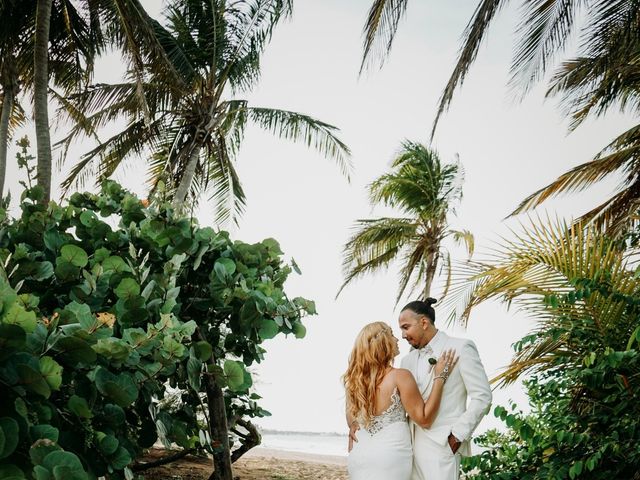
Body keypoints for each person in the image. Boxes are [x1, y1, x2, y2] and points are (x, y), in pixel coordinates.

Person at [343, 321, 458, 480]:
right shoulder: (400, 376)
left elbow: (352, 423)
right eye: (391, 334)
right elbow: (424, 419)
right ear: (383, 343)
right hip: (390, 456)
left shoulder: (353, 382)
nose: (397, 339)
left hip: (360, 455)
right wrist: (440, 377)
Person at [399, 298, 492, 480]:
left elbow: (482, 396)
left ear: (424, 322)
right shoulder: (406, 361)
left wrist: (457, 436)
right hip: (408, 448)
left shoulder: (461, 348)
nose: (402, 335)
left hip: (442, 447)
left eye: (406, 327)